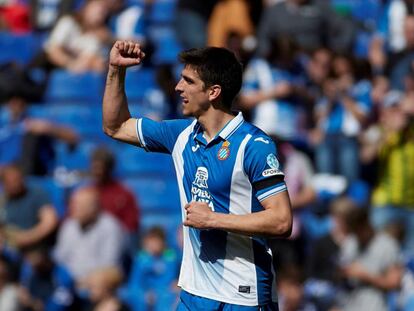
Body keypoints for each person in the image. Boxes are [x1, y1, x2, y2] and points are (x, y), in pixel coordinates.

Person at [102, 40, 292, 310]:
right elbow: (116, 126)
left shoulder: (254, 146)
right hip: (195, 294)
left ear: (213, 91)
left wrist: (213, 219)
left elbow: (282, 220)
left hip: (243, 297)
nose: (178, 87)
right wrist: (115, 70)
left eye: (188, 81)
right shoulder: (180, 134)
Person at [53, 186, 126, 284]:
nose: (73, 208)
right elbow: (60, 258)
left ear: (94, 208)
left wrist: (86, 280)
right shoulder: (69, 226)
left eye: (79, 205)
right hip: (70, 281)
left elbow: (110, 263)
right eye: (73, 204)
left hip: (99, 282)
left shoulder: (110, 226)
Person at [90, 147, 139, 234]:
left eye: (100, 168)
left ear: (109, 169)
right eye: (94, 168)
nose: (97, 172)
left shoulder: (124, 194)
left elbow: (131, 225)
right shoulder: (87, 193)